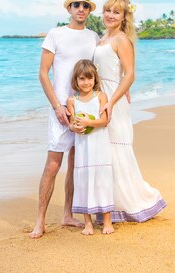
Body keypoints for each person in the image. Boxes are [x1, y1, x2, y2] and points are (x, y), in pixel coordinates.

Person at [29, 0, 100, 239]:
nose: (81, 9)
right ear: (68, 9)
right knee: (53, 165)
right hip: (60, 111)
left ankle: (67, 214)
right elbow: (43, 73)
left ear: (90, 10)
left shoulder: (94, 37)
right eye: (76, 5)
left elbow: (98, 72)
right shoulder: (55, 34)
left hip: (84, 111)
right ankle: (40, 221)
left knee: (75, 164)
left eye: (85, 5)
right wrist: (57, 106)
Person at [93, 0, 166, 223]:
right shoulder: (104, 37)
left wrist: (112, 101)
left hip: (113, 100)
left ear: (124, 17)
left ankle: (133, 203)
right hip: (102, 96)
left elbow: (130, 73)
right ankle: (109, 205)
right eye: (107, 10)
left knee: (117, 148)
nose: (110, 15)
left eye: (116, 12)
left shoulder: (122, 39)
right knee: (105, 151)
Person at [67, 59, 114, 235]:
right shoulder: (72, 100)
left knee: (102, 180)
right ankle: (88, 222)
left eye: (89, 78)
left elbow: (104, 121)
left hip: (99, 146)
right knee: (84, 181)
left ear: (95, 78)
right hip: (83, 148)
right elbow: (71, 123)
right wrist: (75, 127)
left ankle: (107, 220)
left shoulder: (100, 96)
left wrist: (88, 122)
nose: (86, 82)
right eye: (82, 79)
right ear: (76, 80)